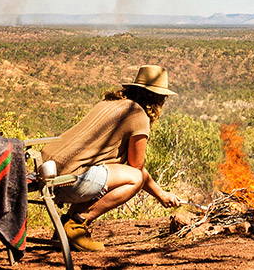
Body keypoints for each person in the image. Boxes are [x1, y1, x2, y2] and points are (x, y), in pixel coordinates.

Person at [42, 65, 185, 251]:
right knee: (135, 178)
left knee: (112, 172)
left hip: (49, 175)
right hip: (69, 182)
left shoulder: (109, 103)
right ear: (158, 98)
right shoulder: (137, 115)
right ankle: (77, 223)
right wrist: (161, 195)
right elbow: (137, 168)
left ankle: (66, 227)